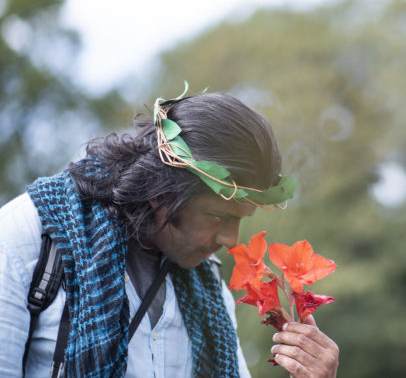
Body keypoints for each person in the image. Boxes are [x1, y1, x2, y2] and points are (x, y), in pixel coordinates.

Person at [0, 88, 340, 378]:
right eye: (217, 216)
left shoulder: (210, 286)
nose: (232, 241)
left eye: (241, 219)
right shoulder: (28, 236)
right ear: (160, 191)